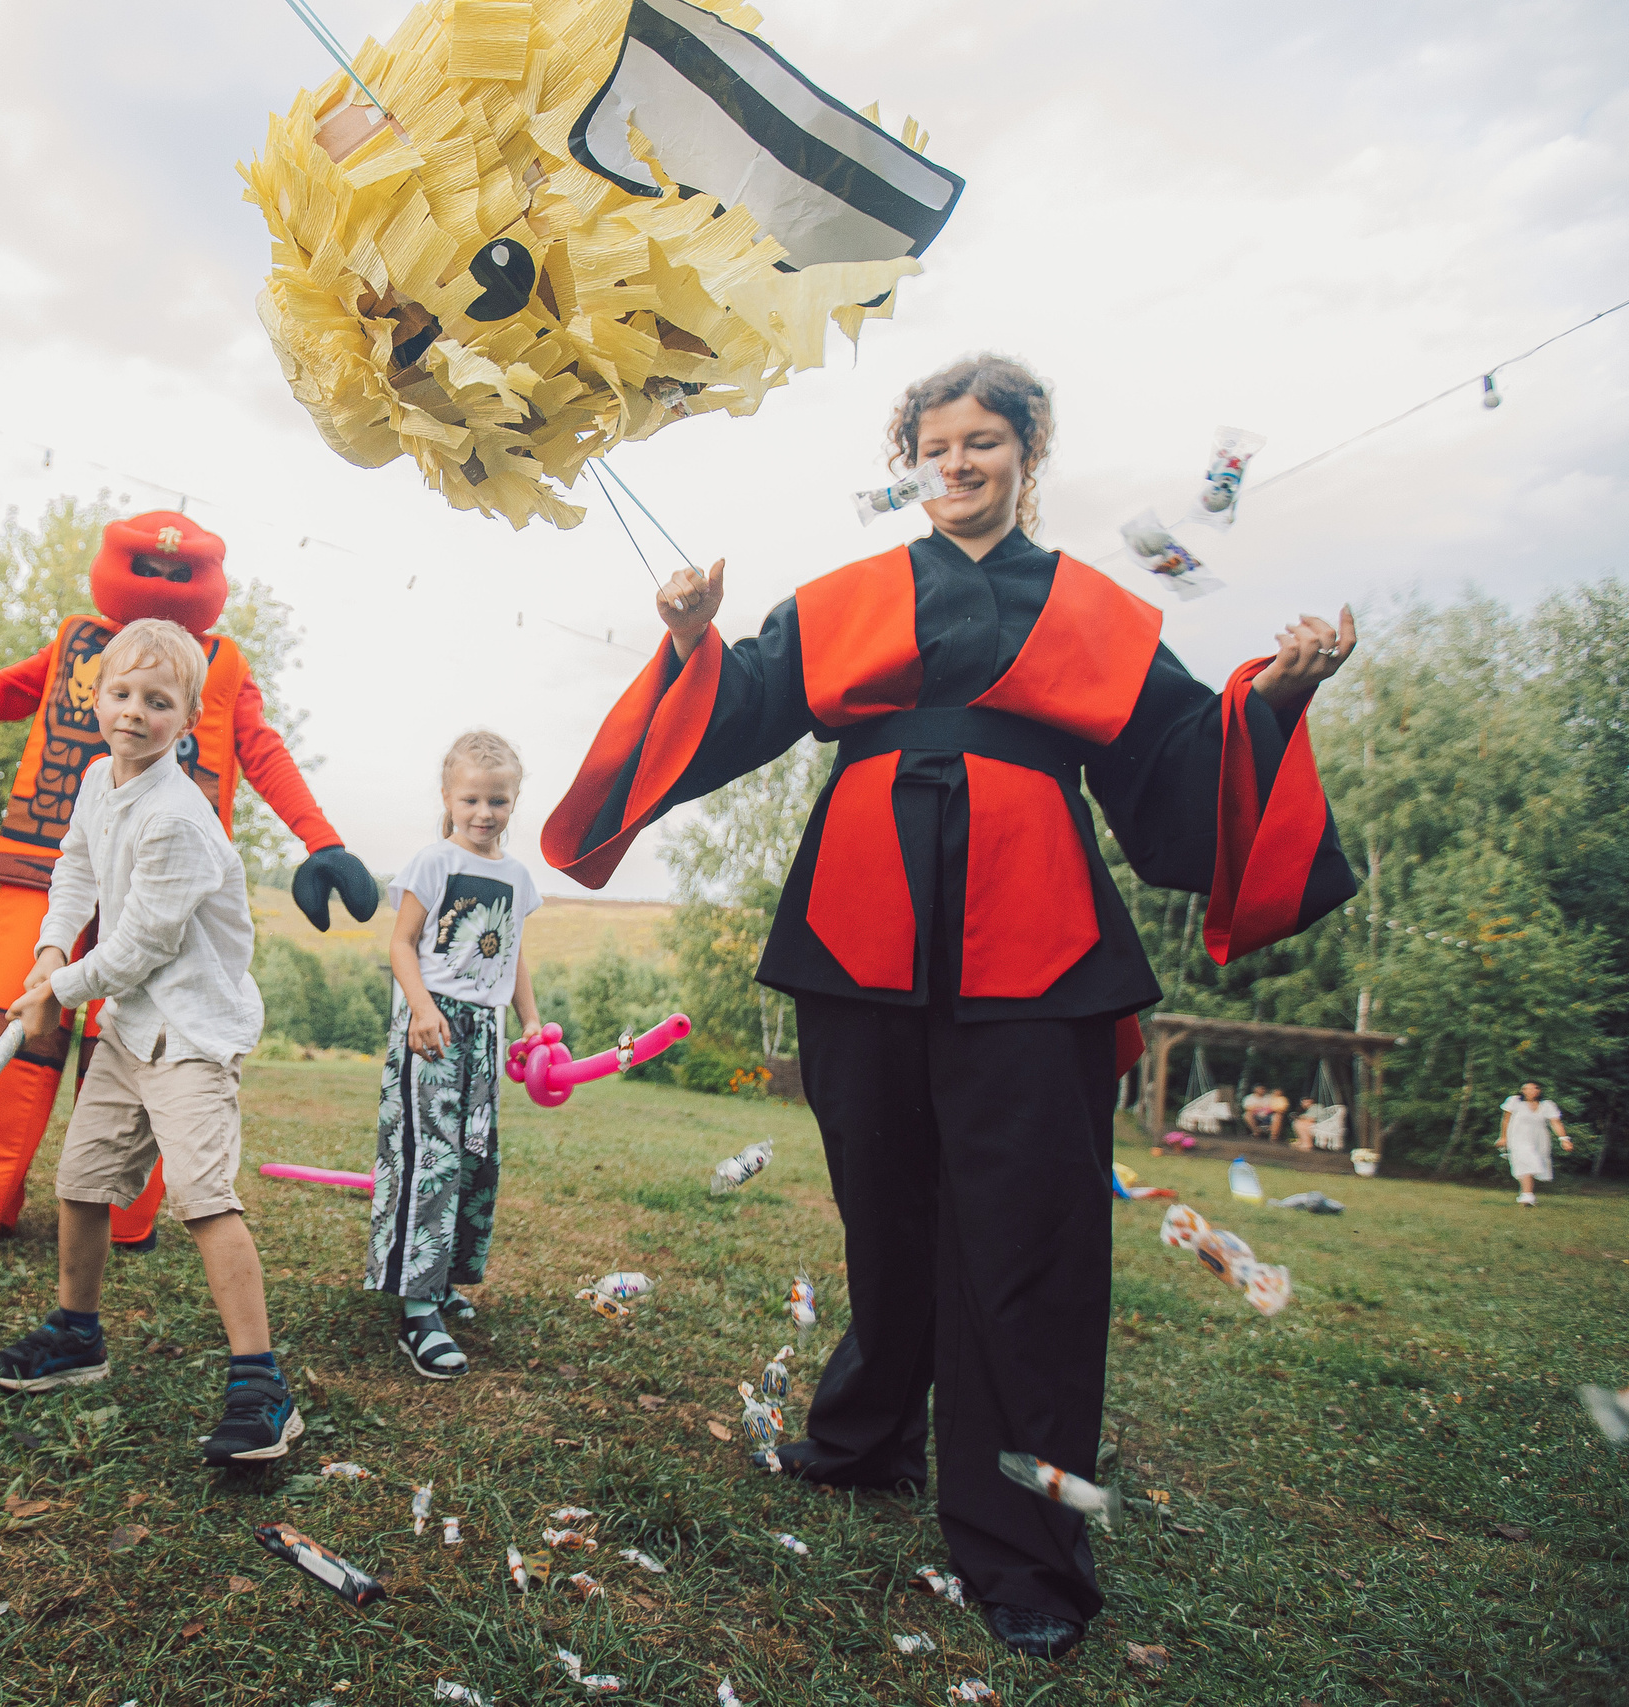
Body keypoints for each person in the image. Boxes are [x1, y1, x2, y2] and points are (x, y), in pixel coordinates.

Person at [541, 355, 1361, 1659]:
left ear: (1028, 451)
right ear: (913, 460)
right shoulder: (850, 599)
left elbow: (1176, 767)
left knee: (1029, 1233)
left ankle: (1024, 1540)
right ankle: (864, 1439)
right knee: (885, 1199)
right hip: (857, 925)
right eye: (938, 442)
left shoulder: (1096, 611)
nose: (961, 460)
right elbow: (743, 706)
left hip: (1037, 939)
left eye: (985, 439)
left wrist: (1275, 693)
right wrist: (693, 639)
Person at [0, 513, 374, 1252]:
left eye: (180, 572)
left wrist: (322, 841)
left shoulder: (222, 666)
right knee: (2, 1021)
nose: (164, 585)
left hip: (164, 881)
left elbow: (261, 750)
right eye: (149, 568)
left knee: (147, 1033)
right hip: (47, 861)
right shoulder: (77, 642)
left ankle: (120, 1206)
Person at [0, 619, 298, 1464]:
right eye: (122, 694)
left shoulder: (178, 820)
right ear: (95, 696)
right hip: (127, 1025)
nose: (135, 713)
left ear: (188, 718)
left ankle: (261, 1384)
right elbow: (75, 868)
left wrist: (60, 991)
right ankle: (77, 1334)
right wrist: (51, 949)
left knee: (202, 1196)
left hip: (189, 1031)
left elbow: (144, 943)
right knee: (81, 1178)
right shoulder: (94, 780)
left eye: (159, 702)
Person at [367, 730, 541, 1379]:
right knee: (430, 1160)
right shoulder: (431, 863)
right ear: (448, 796)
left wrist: (529, 1020)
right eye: (471, 798)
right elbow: (402, 944)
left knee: (474, 1157)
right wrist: (421, 1008)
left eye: (498, 800)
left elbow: (514, 951)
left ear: (514, 801)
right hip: (432, 1027)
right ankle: (416, 1305)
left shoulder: (517, 877)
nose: (484, 812)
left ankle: (442, 1281)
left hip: (486, 1035)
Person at [1498, 1081, 1571, 1206]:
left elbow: (1555, 1122)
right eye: (1526, 1089)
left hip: (1539, 1139)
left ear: (1539, 1091)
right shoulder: (1514, 1102)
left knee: (1532, 1164)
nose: (1530, 1091)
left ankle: (1526, 1194)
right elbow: (1506, 1120)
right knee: (1526, 1160)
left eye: (1534, 1088)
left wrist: (1564, 1139)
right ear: (1522, 1091)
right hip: (1517, 1137)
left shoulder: (1547, 1105)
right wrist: (1503, 1137)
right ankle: (1527, 1196)